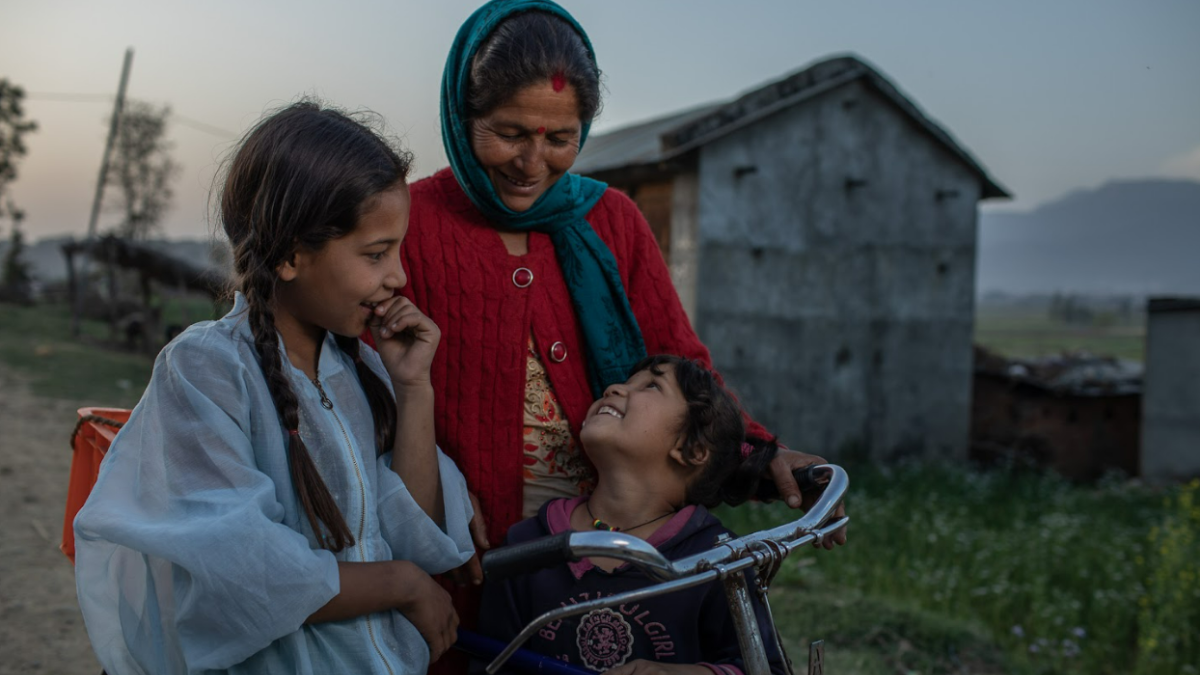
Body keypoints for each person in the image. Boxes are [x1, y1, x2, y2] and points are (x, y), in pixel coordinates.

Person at [393, 0, 845, 590]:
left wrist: (763, 454)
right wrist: (444, 489)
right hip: (460, 550)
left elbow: (682, 369)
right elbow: (364, 387)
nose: (533, 163)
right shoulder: (408, 223)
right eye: (508, 135)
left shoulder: (612, 220)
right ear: (461, 113)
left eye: (561, 138)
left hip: (615, 549)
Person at [73, 102, 475, 675]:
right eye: (376, 253)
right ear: (291, 255)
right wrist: (400, 584)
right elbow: (244, 571)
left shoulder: (362, 368)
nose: (399, 276)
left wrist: (413, 389)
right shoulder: (207, 368)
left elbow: (418, 539)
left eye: (398, 249)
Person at [479, 355, 788, 675]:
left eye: (652, 385)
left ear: (692, 449)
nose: (613, 388)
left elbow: (764, 668)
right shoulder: (526, 546)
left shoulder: (721, 558)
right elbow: (492, 664)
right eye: (625, 382)